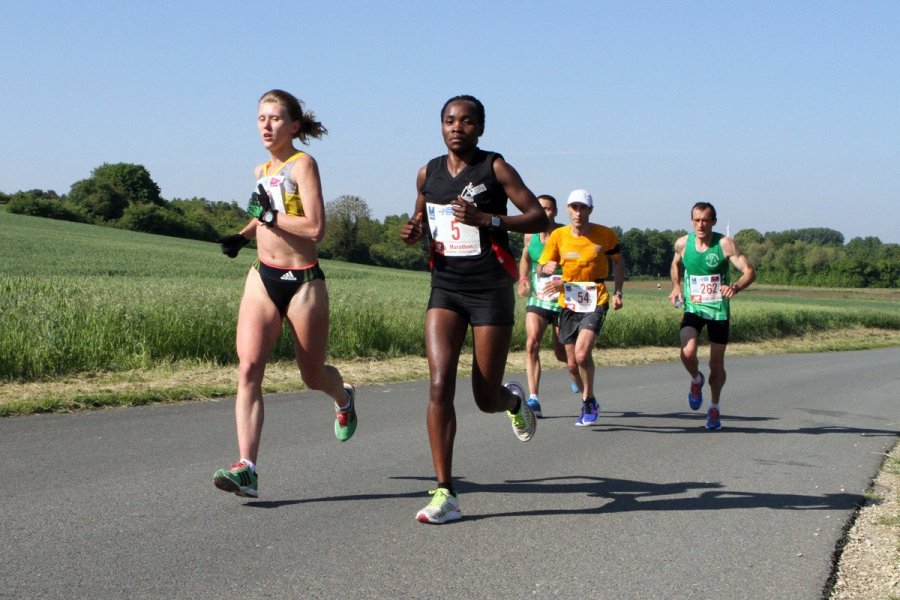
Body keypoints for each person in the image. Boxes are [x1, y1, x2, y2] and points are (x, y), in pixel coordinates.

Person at [399, 94, 548, 524]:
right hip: (445, 287)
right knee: (440, 383)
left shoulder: (494, 167)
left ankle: (513, 401)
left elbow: (538, 217)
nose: (457, 127)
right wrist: (412, 232)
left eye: (466, 121)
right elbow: (422, 220)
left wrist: (489, 220)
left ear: (480, 128)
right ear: (440, 126)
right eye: (449, 120)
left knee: (485, 397)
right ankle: (446, 491)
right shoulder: (428, 172)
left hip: (489, 289)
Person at [212, 89, 357, 499]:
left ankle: (342, 397)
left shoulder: (303, 164)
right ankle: (248, 468)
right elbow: (263, 217)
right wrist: (242, 236)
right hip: (264, 277)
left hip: (304, 281)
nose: (266, 125)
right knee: (248, 369)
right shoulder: (261, 168)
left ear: (294, 125)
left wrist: (270, 217)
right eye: (261, 118)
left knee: (312, 376)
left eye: (275, 118)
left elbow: (314, 228)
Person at [538, 189, 625, 426]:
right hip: (568, 300)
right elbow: (541, 267)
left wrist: (618, 291)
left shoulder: (604, 235)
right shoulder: (558, 236)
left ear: (590, 210)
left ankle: (587, 400)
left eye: (583, 208)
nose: (578, 212)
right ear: (568, 209)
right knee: (572, 364)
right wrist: (547, 270)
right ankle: (590, 397)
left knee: (582, 353)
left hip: (596, 297)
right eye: (574, 207)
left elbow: (618, 262)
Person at [669, 201, 755, 430]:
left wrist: (735, 286)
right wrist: (676, 287)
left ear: (714, 222)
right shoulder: (682, 243)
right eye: (697, 220)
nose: (701, 225)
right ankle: (696, 380)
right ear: (691, 221)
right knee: (687, 352)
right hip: (694, 308)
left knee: (716, 365)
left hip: (718, 311)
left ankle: (714, 407)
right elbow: (675, 264)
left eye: (706, 220)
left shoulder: (724, 244)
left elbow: (749, 271)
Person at [516, 194, 581, 417]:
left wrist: (564, 277)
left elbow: (579, 264)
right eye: (541, 208)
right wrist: (523, 279)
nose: (545, 212)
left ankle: (574, 374)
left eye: (549, 208)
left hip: (563, 300)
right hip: (539, 298)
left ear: (555, 212)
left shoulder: (565, 235)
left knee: (562, 354)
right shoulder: (529, 237)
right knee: (531, 343)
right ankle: (533, 398)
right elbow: (525, 259)